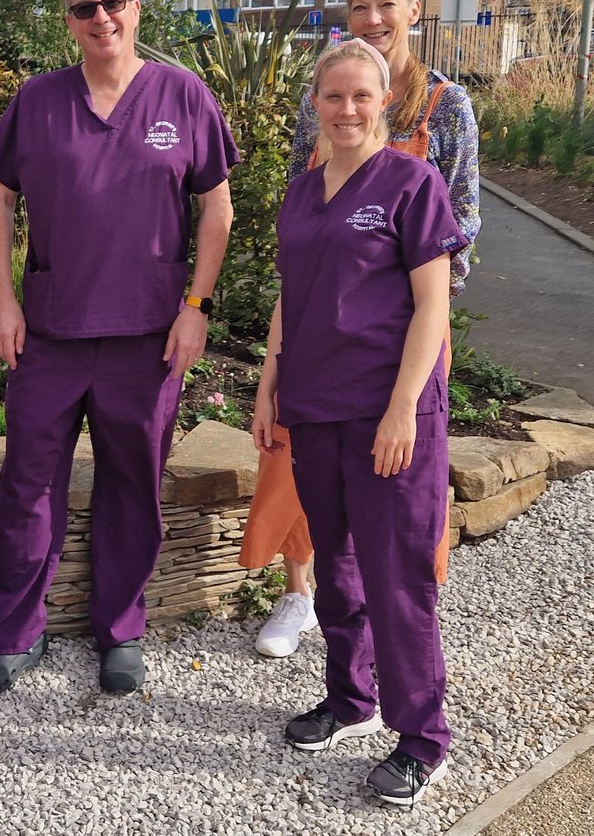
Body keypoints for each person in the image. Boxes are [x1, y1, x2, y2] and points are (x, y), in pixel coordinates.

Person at [0, 0, 238, 699]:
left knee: (131, 485)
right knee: (27, 487)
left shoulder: (183, 96)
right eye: (85, 9)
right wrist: (4, 301)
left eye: (113, 3)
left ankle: (122, 628)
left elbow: (217, 207)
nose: (101, 19)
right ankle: (14, 634)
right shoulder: (39, 101)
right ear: (70, 22)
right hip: (50, 332)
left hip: (147, 338)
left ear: (136, 9)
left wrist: (196, 306)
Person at [243, 0, 481, 659]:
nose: (373, 18)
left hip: (405, 325)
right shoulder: (322, 93)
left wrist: (405, 316)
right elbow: (305, 202)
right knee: (294, 466)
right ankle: (301, 593)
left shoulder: (446, 104)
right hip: (319, 326)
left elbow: (462, 220)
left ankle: (404, 616)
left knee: (397, 482)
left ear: (414, 10)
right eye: (360, 7)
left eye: (387, 5)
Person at [252, 39, 467, 807]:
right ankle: (351, 698)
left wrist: (405, 404)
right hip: (313, 406)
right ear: (317, 102)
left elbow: (433, 305)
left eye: (361, 97)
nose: (346, 109)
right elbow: (292, 295)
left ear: (385, 103)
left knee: (397, 574)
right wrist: (271, 376)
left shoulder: (413, 185)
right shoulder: (303, 192)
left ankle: (423, 738)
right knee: (335, 563)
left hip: (388, 412)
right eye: (333, 96)